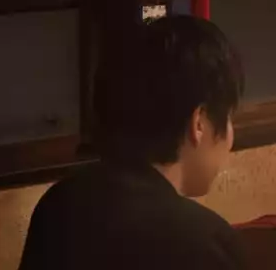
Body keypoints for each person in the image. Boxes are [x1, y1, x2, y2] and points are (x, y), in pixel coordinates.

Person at [18, 15, 245, 269]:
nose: (230, 138)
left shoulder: (59, 203)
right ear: (199, 122)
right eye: (228, 117)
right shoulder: (204, 242)